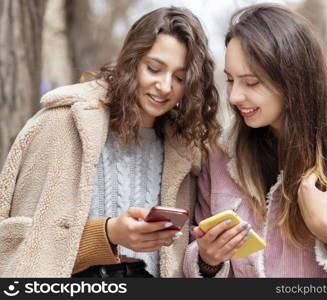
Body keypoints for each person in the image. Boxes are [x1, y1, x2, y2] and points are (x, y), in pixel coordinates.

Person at [183, 3, 327, 278]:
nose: (234, 96)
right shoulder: (221, 152)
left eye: (251, 82)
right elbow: (196, 253)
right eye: (231, 80)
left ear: (292, 79)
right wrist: (207, 259)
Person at [0, 6, 220, 278]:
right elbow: (19, 248)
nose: (165, 86)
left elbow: (187, 264)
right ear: (132, 60)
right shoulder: (64, 122)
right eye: (154, 69)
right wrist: (108, 234)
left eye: (180, 78)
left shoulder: (185, 153)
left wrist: (210, 261)